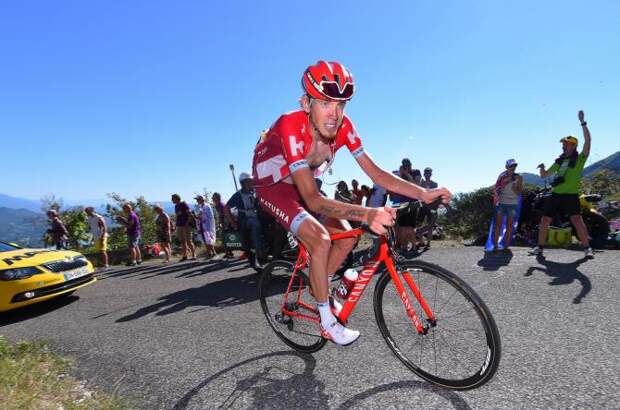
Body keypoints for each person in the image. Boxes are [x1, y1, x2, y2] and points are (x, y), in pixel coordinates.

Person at [252, 60, 451, 345]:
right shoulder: (290, 126)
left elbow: (378, 174)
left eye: (342, 104)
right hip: (275, 189)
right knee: (320, 239)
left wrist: (422, 193)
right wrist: (368, 213)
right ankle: (327, 320)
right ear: (306, 103)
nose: (335, 114)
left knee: (346, 238)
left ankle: (317, 285)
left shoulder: (344, 126)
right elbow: (312, 199)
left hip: (306, 183)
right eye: (325, 103)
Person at [530, 110, 594, 259]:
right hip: (556, 194)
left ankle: (587, 248)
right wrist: (542, 168)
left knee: (577, 220)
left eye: (566, 143)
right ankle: (539, 247)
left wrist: (583, 123)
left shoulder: (579, 159)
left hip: (571, 195)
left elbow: (588, 142)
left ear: (573, 145)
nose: (563, 145)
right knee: (545, 219)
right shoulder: (559, 161)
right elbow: (545, 175)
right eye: (563, 143)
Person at [225, 172, 265, 265]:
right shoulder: (238, 195)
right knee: (255, 224)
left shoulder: (254, 191)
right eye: (248, 181)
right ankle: (258, 248)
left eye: (251, 181)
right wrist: (232, 222)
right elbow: (226, 208)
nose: (251, 183)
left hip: (258, 215)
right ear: (243, 183)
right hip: (245, 219)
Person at [490, 159, 523, 252]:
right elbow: (496, 189)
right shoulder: (501, 176)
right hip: (501, 203)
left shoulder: (518, 177)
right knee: (498, 225)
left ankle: (506, 246)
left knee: (509, 226)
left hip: (512, 204)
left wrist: (514, 189)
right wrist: (500, 188)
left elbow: (519, 192)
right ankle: (495, 245)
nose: (513, 168)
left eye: (514, 166)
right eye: (511, 166)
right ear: (506, 167)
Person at [172, 194, 196, 261]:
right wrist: (175, 225)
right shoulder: (176, 206)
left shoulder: (183, 204)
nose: (172, 200)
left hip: (185, 225)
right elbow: (177, 216)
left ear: (176, 198)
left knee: (189, 241)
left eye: (173, 199)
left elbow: (190, 214)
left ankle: (194, 254)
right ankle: (185, 255)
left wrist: (187, 224)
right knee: (182, 241)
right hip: (179, 225)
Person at [212, 192, 234, 258]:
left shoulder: (221, 205)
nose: (212, 199)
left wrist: (224, 224)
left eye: (214, 197)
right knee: (225, 238)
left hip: (227, 223)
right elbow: (220, 215)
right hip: (224, 222)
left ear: (218, 198)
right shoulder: (217, 205)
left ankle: (229, 252)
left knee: (225, 238)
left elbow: (225, 214)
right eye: (213, 197)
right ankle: (228, 252)